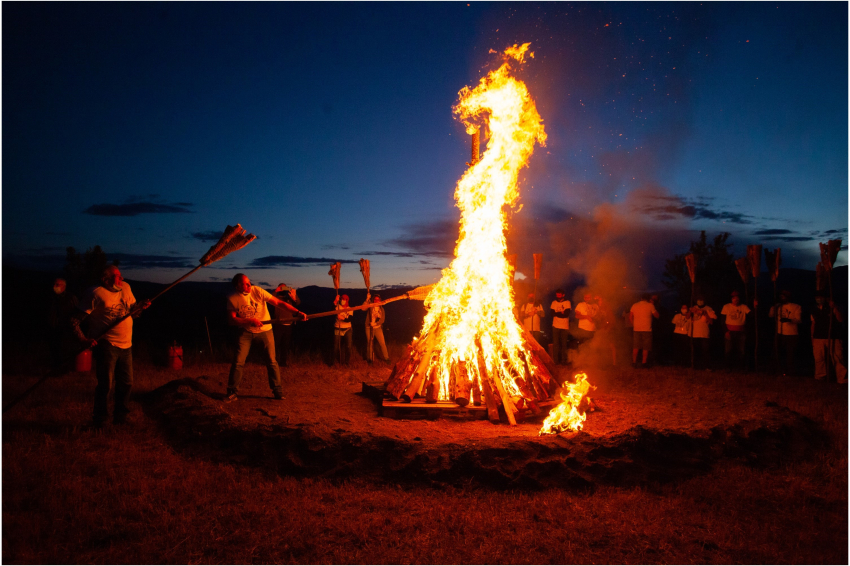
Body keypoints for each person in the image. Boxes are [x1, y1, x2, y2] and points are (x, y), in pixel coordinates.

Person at [71, 266, 150, 426]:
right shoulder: (95, 293)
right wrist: (83, 339)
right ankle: (100, 419)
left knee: (127, 382)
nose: (122, 278)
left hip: (127, 343)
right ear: (106, 280)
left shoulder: (126, 288)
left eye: (121, 275)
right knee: (106, 383)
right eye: (117, 276)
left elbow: (132, 313)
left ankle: (121, 417)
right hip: (107, 344)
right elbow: (74, 320)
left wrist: (140, 307)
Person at [225, 274, 306, 402]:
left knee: (272, 361)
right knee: (238, 362)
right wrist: (249, 321)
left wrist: (297, 312)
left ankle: (277, 390)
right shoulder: (232, 298)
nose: (249, 285)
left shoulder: (257, 291)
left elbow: (278, 302)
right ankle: (232, 391)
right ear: (237, 286)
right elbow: (232, 319)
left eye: (249, 282)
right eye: (245, 284)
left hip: (265, 330)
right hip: (246, 331)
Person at [811, 291, 847, 383]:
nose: (819, 299)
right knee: (819, 358)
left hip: (833, 336)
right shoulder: (814, 309)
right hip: (818, 337)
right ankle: (820, 377)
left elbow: (840, 319)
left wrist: (834, 307)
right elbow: (813, 323)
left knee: (837, 358)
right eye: (817, 297)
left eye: (821, 297)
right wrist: (812, 337)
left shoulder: (833, 307)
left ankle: (842, 378)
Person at [48, 277, 78, 375]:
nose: (54, 287)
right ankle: (55, 368)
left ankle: (64, 370)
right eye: (54, 284)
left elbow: (76, 312)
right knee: (54, 349)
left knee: (64, 350)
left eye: (57, 285)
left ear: (64, 287)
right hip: (53, 328)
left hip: (66, 328)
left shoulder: (70, 298)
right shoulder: (51, 297)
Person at [768, 290, 802, 375]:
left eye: (784, 296)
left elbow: (799, 320)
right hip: (780, 333)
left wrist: (789, 320)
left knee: (790, 354)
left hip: (792, 334)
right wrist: (773, 307)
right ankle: (779, 370)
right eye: (781, 296)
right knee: (778, 353)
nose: (782, 298)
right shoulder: (778, 306)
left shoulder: (796, 306)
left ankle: (791, 371)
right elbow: (771, 315)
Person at [721, 290, 751, 371]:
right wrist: (726, 331)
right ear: (731, 299)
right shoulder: (726, 307)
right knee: (728, 350)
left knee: (741, 351)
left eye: (737, 298)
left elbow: (752, 315)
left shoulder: (744, 307)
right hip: (729, 331)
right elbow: (722, 320)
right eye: (734, 298)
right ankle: (728, 367)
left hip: (741, 332)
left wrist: (755, 306)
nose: (736, 300)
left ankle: (741, 368)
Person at [272, 283, 301, 367]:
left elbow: (298, 303)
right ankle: (273, 361)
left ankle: (283, 362)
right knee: (275, 344)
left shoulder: (289, 298)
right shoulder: (276, 298)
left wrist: (294, 295)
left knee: (285, 345)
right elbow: (268, 298)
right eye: (282, 287)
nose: (283, 289)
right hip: (278, 324)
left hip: (288, 324)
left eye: (284, 287)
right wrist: (276, 290)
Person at [630, 294, 659, 368]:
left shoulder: (634, 305)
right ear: (648, 299)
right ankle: (644, 363)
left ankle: (634, 362)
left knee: (635, 346)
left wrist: (634, 325)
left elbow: (630, 317)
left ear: (641, 298)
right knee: (646, 347)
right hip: (647, 329)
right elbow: (657, 316)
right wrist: (653, 305)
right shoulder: (650, 305)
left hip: (636, 329)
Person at [690, 296, 717, 370]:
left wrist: (704, 313)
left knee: (705, 351)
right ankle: (696, 366)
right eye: (698, 300)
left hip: (704, 334)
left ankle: (707, 366)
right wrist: (691, 311)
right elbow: (688, 317)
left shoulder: (708, 308)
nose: (700, 301)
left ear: (704, 300)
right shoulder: (694, 308)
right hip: (695, 333)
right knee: (696, 350)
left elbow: (711, 322)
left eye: (701, 300)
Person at [365, 293, 390, 364]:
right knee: (369, 343)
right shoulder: (370, 306)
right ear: (373, 300)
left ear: (380, 300)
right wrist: (367, 299)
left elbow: (382, 320)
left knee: (382, 343)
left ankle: (387, 358)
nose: (377, 300)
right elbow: (363, 308)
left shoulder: (381, 309)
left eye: (378, 299)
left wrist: (376, 323)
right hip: (369, 327)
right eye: (375, 299)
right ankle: (369, 359)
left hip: (378, 328)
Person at [550, 289, 571, 365]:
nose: (558, 296)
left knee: (564, 344)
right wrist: (561, 313)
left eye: (559, 295)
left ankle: (563, 361)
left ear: (563, 295)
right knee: (556, 344)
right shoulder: (554, 302)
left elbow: (566, 314)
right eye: (557, 295)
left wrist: (557, 313)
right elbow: (552, 313)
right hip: (555, 325)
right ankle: (555, 361)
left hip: (565, 326)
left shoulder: (567, 302)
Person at [333, 294, 354, 365]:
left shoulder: (350, 308)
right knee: (336, 347)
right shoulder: (338, 307)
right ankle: (336, 362)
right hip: (338, 328)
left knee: (348, 346)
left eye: (344, 299)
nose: (342, 300)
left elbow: (350, 319)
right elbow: (332, 309)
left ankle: (347, 362)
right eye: (341, 299)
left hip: (347, 329)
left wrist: (343, 318)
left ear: (347, 300)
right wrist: (335, 301)